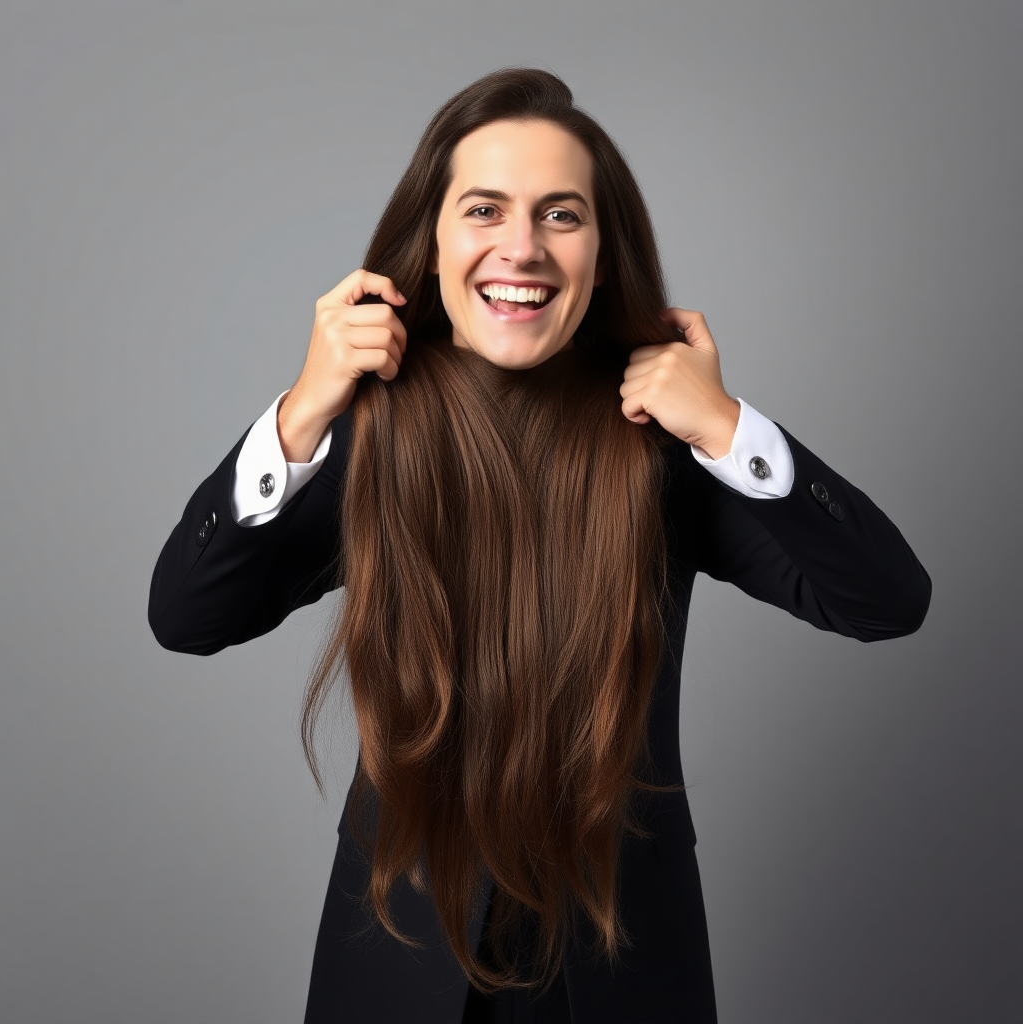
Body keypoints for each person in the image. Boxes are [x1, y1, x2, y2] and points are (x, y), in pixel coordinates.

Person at [148, 68, 931, 1023]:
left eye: (561, 215)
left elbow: (887, 601)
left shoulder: (664, 446)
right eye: (484, 209)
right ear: (430, 242)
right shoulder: (368, 435)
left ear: (604, 254)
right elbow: (187, 616)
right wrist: (301, 413)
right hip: (400, 969)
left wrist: (727, 427)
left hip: (622, 967)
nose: (521, 247)